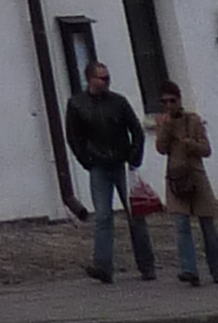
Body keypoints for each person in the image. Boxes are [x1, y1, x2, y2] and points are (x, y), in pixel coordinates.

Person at [63, 58, 156, 282]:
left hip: (121, 163)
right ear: (90, 79)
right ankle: (103, 266)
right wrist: (87, 160)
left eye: (108, 78)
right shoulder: (77, 104)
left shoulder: (118, 102)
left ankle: (147, 265)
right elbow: (74, 137)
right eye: (102, 78)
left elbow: (136, 130)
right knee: (103, 216)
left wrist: (134, 157)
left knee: (136, 215)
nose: (106, 81)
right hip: (99, 166)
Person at [153, 82, 218, 287]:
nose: (168, 105)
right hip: (176, 177)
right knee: (181, 224)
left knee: (207, 225)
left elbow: (206, 149)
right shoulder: (162, 122)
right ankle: (189, 270)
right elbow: (161, 148)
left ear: (179, 100)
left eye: (172, 101)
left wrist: (189, 143)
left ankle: (217, 271)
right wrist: (165, 128)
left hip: (196, 175)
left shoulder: (193, 120)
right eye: (164, 101)